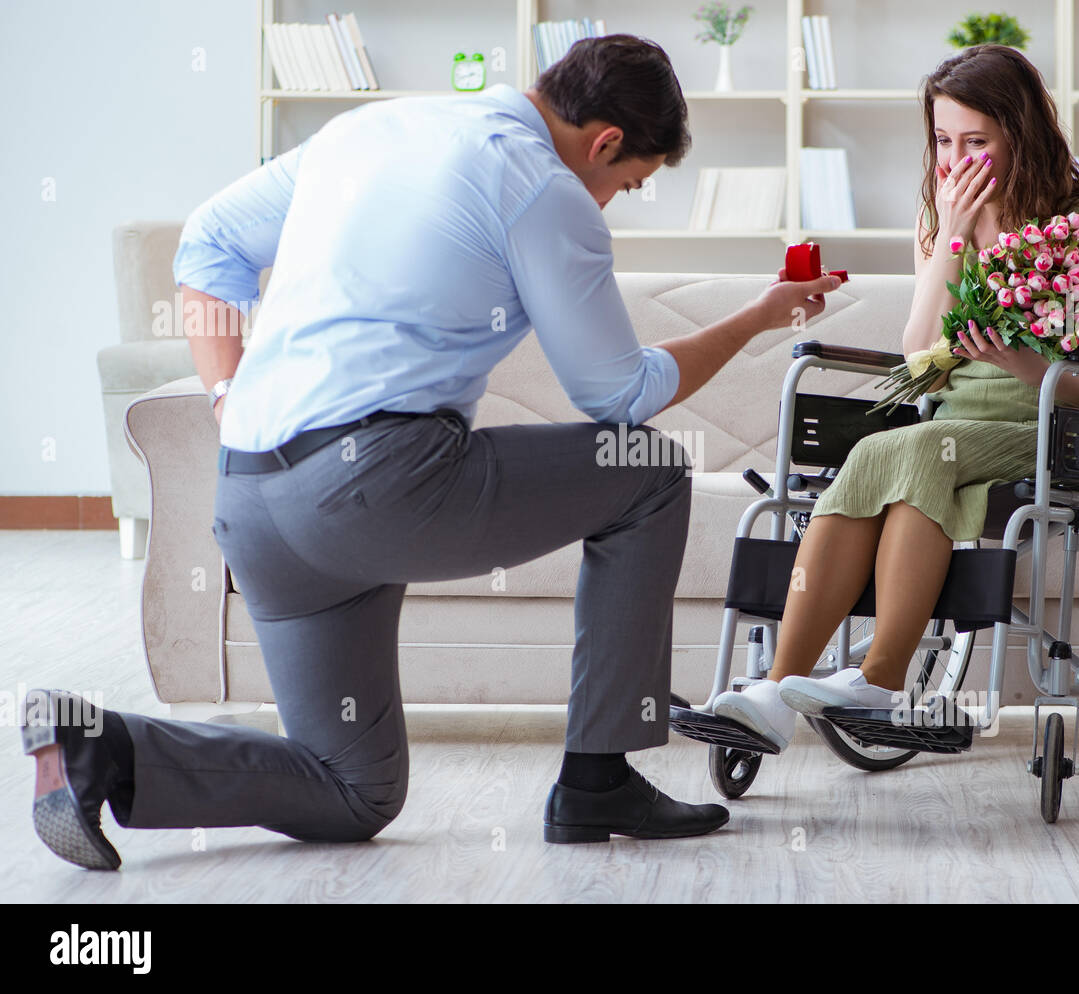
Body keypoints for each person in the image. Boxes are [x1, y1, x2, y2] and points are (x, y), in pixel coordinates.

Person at [22, 35, 843, 869]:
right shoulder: (544, 189)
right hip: (375, 488)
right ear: (603, 144)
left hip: (252, 499)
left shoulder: (370, 130)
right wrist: (757, 317)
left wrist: (230, 398)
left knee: (355, 790)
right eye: (626, 185)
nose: (608, 206)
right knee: (651, 472)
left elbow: (206, 245)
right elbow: (621, 398)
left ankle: (103, 749)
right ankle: (600, 778)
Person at [711, 43, 1079, 750]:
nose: (956, 159)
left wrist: (1026, 362)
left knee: (913, 448)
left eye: (977, 140)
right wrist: (948, 240)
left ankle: (881, 682)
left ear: (1021, 136)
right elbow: (921, 361)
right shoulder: (935, 223)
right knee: (893, 451)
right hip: (949, 427)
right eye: (944, 141)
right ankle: (773, 692)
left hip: (1047, 424)